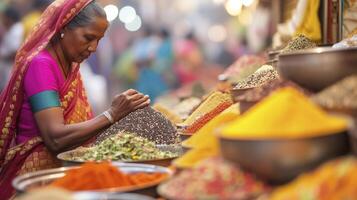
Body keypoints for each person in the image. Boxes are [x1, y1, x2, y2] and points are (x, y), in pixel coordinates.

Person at [0, 0, 150, 198]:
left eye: (99, 40)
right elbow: (55, 138)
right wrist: (112, 114)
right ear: (63, 27)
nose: (94, 47)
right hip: (37, 181)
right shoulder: (40, 65)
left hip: (63, 173)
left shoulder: (71, 67)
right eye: (88, 38)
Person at [0, 6, 24, 91]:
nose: (2, 20)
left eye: (4, 17)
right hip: (6, 67)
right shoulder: (11, 28)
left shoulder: (16, 30)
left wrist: (2, 56)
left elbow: (14, 53)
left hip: (10, 67)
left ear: (9, 18)